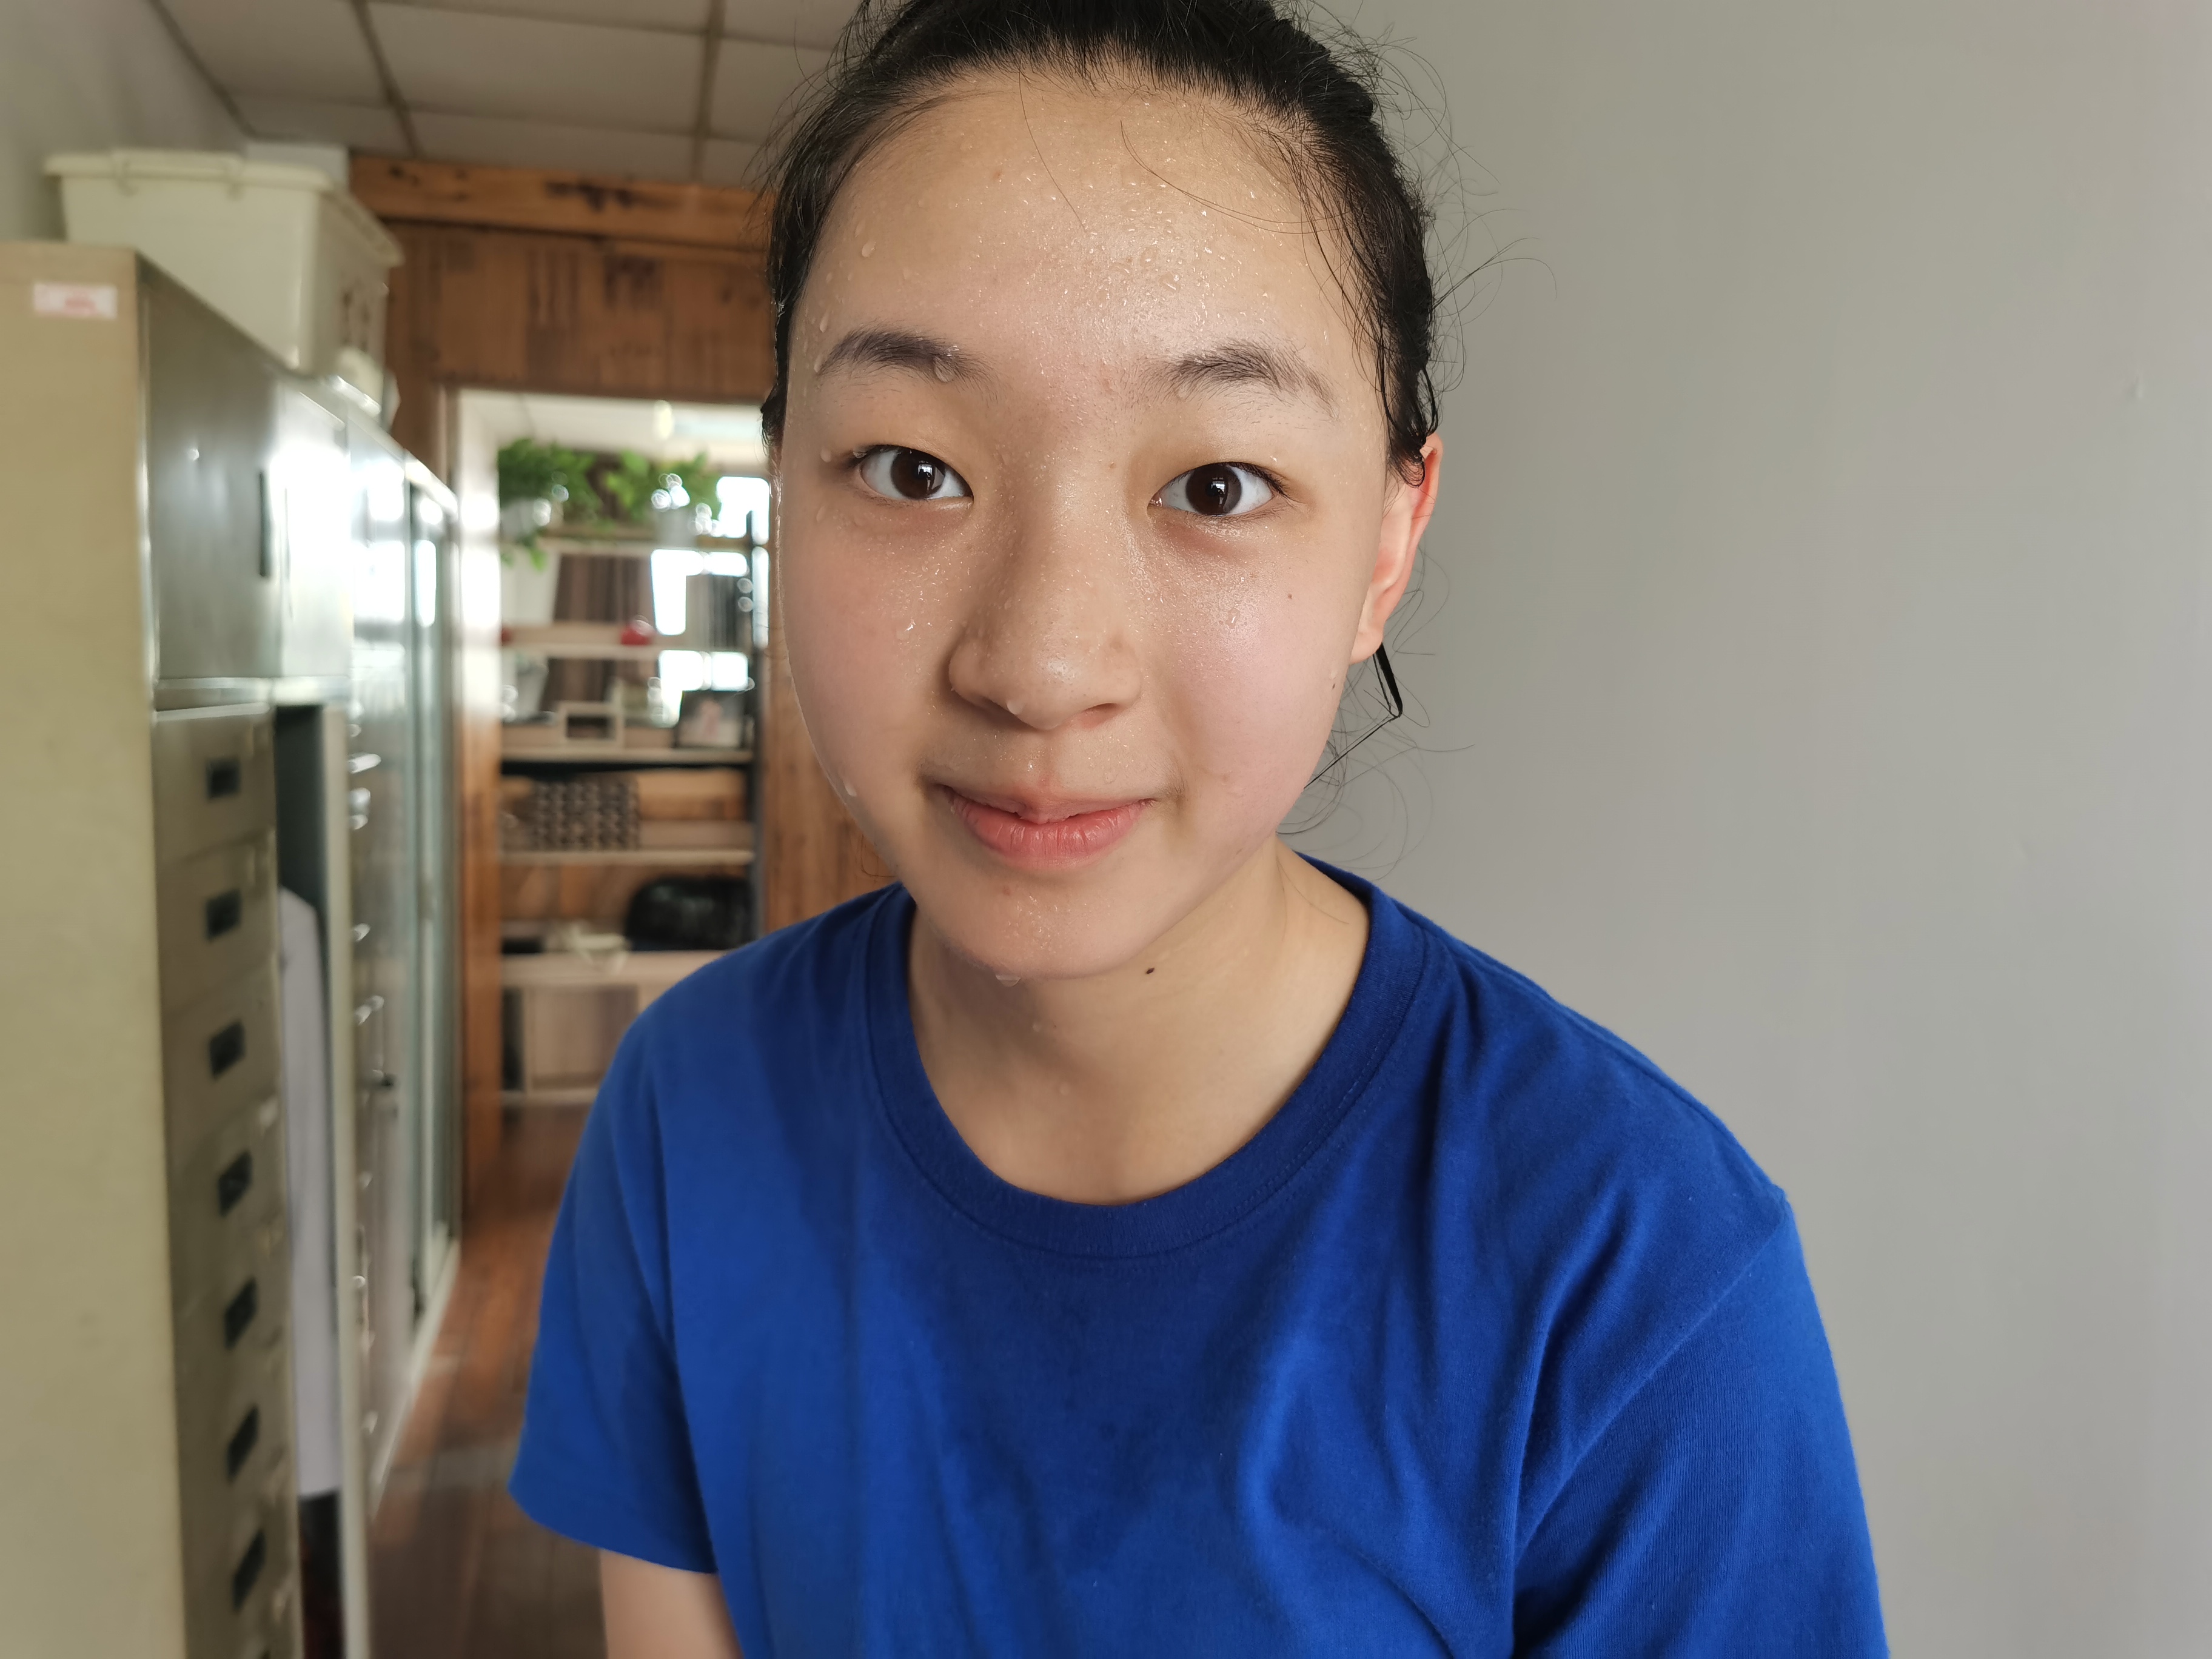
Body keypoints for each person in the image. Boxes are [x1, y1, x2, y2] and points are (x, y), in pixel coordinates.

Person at [510, 1, 1888, 1652]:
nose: (1041, 665)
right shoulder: (690, 1113)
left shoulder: (1638, 1281)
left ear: (1387, 547)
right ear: (782, 485)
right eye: (910, 467)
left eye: (1216, 487)